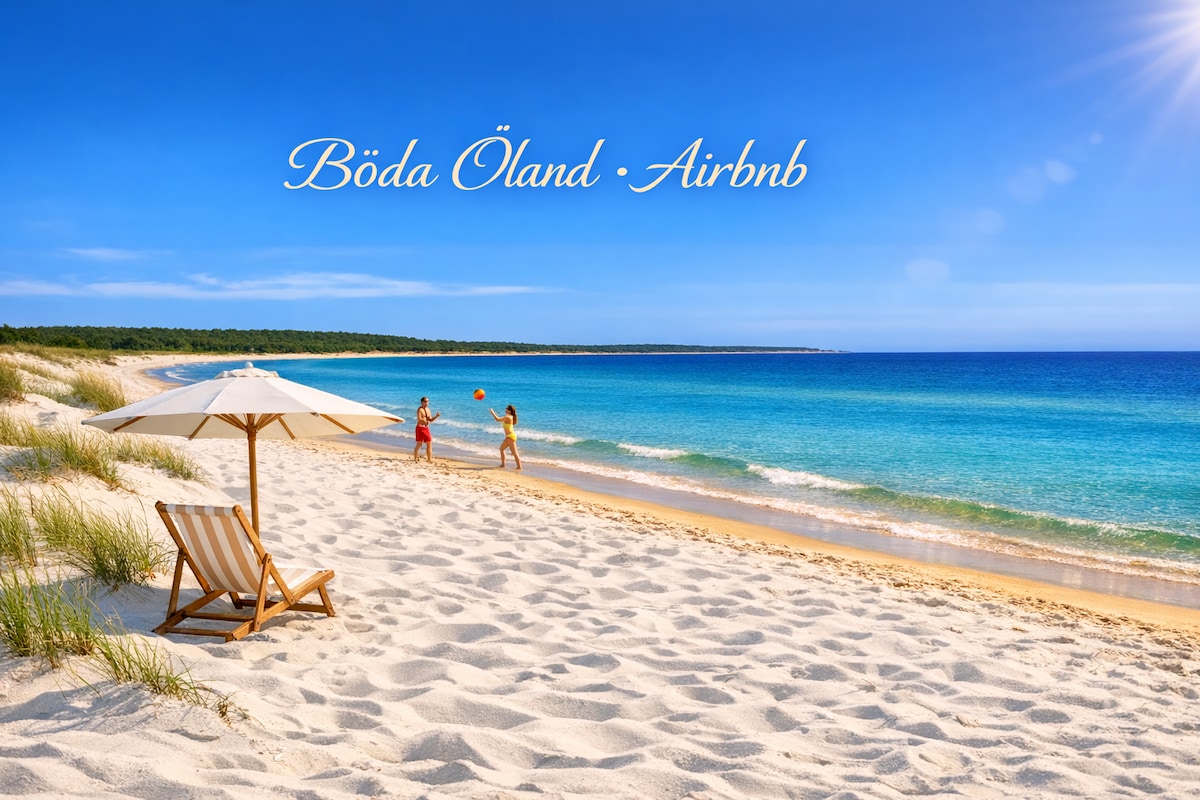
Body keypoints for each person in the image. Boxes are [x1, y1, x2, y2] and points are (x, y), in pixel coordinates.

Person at [489, 404, 522, 470]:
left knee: (514, 453)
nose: (505, 409)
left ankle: (519, 467)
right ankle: (503, 464)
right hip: (508, 436)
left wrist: (492, 412)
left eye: (507, 408)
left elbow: (497, 419)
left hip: (510, 436)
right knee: (501, 449)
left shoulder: (508, 417)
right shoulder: (509, 416)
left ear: (510, 411)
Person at [412, 397, 441, 462]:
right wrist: (425, 421)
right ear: (422, 402)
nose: (427, 403)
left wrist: (436, 416)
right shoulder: (419, 410)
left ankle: (429, 459)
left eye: (427, 401)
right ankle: (415, 458)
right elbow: (419, 419)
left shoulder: (428, 410)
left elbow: (430, 420)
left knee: (429, 443)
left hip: (426, 428)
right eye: (425, 401)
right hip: (420, 428)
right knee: (419, 444)